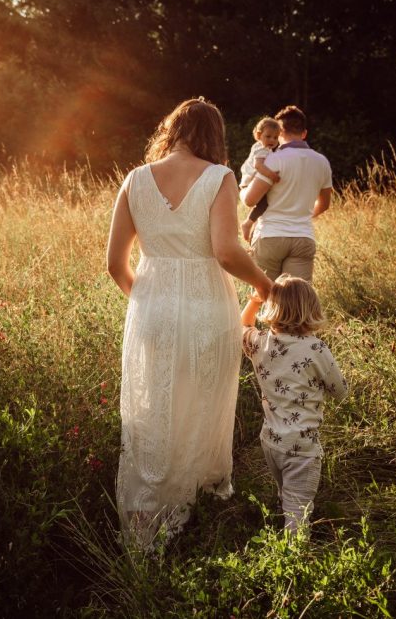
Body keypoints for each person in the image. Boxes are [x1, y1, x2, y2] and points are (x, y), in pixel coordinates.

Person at [106, 97, 274, 548]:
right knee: (200, 403)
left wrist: (149, 300)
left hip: (151, 306)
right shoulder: (220, 177)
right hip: (206, 304)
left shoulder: (135, 179)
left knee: (153, 407)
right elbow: (225, 251)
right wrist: (266, 286)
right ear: (213, 135)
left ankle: (147, 514)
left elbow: (114, 263)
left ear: (170, 130)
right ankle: (192, 507)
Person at [240, 275, 348, 533]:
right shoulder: (315, 348)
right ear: (311, 310)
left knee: (286, 496)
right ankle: (294, 564)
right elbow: (341, 391)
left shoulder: (261, 343)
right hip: (302, 448)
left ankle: (284, 529)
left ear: (272, 307)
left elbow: (242, 325)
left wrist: (255, 302)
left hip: (271, 442)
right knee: (298, 515)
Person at [240, 105, 333, 282]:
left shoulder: (273, 160)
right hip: (303, 237)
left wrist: (243, 189)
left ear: (280, 131)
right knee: (297, 300)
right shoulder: (322, 162)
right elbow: (324, 204)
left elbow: (250, 200)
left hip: (270, 236)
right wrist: (299, 217)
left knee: (267, 298)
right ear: (304, 133)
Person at [239, 116, 282, 244]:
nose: (272, 140)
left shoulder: (266, 148)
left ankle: (253, 232)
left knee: (264, 210)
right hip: (249, 182)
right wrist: (271, 175)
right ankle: (247, 223)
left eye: (275, 137)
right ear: (259, 135)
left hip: (252, 181)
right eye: (268, 136)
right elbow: (258, 166)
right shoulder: (261, 149)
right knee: (264, 205)